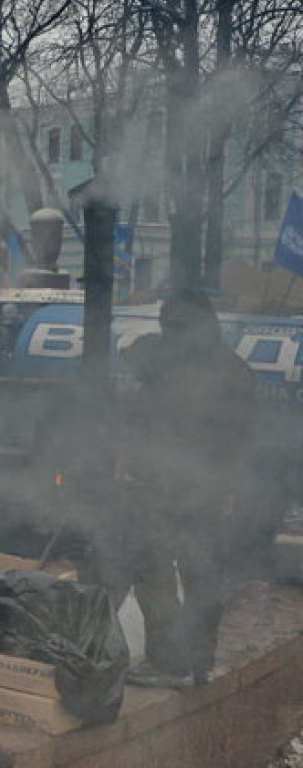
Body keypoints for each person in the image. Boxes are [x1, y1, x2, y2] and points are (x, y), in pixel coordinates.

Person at [121, 289, 255, 687]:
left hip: (173, 485)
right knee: (200, 573)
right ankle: (198, 661)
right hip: (199, 487)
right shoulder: (232, 368)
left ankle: (169, 662)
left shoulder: (171, 364)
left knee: (155, 567)